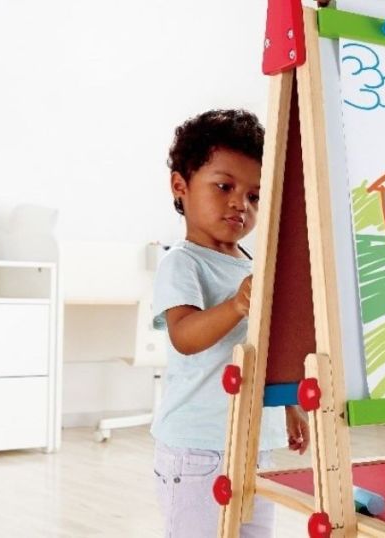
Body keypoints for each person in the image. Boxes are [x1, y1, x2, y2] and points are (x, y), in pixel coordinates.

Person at [150, 109, 309, 537]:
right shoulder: (181, 263)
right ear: (180, 186)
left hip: (252, 444)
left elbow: (261, 345)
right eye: (225, 186)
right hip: (199, 448)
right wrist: (237, 304)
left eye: (255, 196)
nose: (241, 203)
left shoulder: (250, 264)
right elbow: (185, 336)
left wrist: (288, 404)